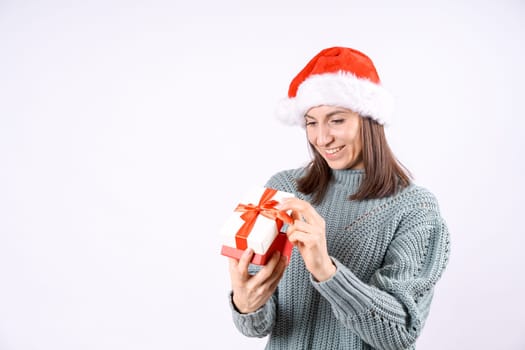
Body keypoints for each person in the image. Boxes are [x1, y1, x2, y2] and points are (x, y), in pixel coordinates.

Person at [227, 46, 450, 350]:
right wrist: (245, 303)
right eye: (311, 122)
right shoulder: (282, 190)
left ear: (369, 120)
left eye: (336, 120)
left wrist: (326, 270)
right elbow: (258, 326)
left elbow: (400, 332)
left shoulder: (414, 208)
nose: (322, 138)